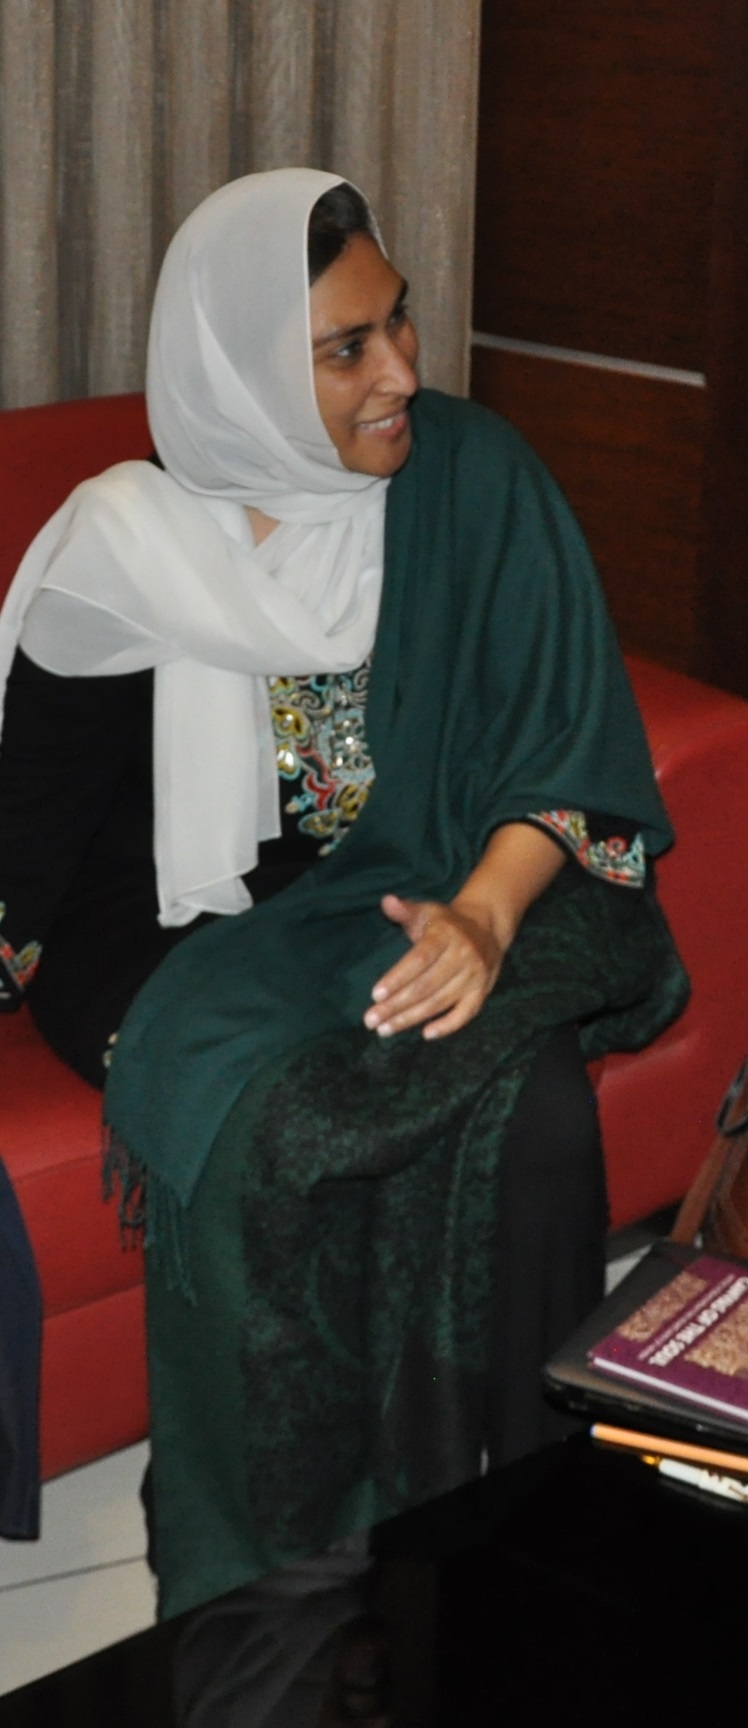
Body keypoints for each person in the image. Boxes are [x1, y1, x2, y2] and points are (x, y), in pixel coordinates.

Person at [0, 169, 688, 1617]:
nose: (402, 373)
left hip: (416, 891)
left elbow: (559, 740)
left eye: (399, 322)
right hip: (173, 937)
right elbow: (29, 851)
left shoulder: (471, 478)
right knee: (293, 1122)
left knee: (535, 1108)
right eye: (346, 349)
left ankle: (533, 1504)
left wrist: (488, 912)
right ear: (243, 378)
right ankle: (293, 1541)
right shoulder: (119, 554)